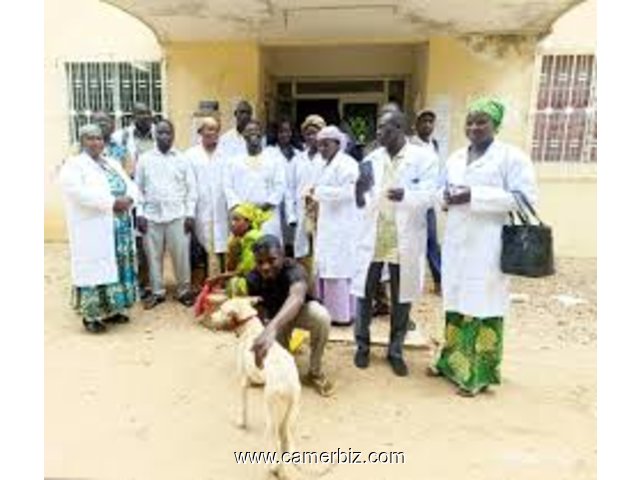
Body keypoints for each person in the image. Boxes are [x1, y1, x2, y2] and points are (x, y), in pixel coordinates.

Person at [431, 98, 538, 397]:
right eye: (470, 121)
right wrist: (445, 197)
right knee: (455, 300)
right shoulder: (454, 158)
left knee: (482, 303)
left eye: (482, 121)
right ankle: (451, 363)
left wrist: (474, 195)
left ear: (496, 125)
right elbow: (439, 191)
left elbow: (525, 199)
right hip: (456, 240)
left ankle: (477, 375)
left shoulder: (511, 158)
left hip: (487, 243)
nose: (474, 127)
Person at [352, 110, 439, 376]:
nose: (378, 134)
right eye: (377, 128)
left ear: (400, 129)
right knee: (365, 293)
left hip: (405, 237)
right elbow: (361, 200)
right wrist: (359, 191)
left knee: (402, 297)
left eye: (384, 129)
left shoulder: (424, 159)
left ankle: (395, 350)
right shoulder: (370, 159)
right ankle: (362, 347)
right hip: (374, 235)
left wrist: (407, 195)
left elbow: (431, 195)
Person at [59, 124, 140, 333]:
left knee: (118, 267)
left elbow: (129, 184)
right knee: (94, 269)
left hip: (119, 226)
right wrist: (111, 203)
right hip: (93, 227)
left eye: (99, 138)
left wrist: (130, 198)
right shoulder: (74, 165)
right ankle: (91, 315)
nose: (96, 142)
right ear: (82, 141)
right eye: (90, 138)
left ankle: (114, 309)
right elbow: (77, 193)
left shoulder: (111, 162)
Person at [248, 235, 335, 397]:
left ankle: (314, 372)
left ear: (282, 256)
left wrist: (271, 329)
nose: (265, 267)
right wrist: (261, 334)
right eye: (260, 262)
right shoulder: (253, 278)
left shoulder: (295, 269)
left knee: (321, 316)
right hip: (276, 321)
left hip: (300, 312)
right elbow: (258, 312)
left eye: (271, 260)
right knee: (281, 366)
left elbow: (297, 297)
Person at [135, 119, 198, 309]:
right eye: (160, 133)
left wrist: (190, 214)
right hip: (151, 216)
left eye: (168, 133)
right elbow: (138, 188)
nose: (164, 136)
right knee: (153, 256)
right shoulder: (145, 159)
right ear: (155, 135)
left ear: (173, 135)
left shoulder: (182, 158)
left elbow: (191, 189)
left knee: (181, 255)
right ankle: (157, 292)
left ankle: (183, 290)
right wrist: (140, 213)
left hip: (177, 215)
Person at [308, 125, 359, 326]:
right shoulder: (323, 165)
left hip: (342, 225)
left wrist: (319, 192)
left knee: (340, 269)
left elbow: (350, 191)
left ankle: (342, 315)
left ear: (338, 144)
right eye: (319, 145)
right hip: (328, 223)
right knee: (328, 267)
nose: (321, 148)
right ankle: (330, 312)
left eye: (326, 144)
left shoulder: (348, 164)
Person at [224, 119, 286, 241]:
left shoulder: (274, 160)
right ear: (243, 135)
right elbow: (228, 187)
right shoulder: (233, 162)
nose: (253, 133)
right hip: (243, 216)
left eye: (257, 130)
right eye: (249, 130)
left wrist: (264, 207)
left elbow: (280, 186)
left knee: (269, 252)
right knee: (245, 252)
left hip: (268, 215)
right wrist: (241, 210)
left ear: (262, 134)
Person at [185, 117, 228, 286]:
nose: (212, 133)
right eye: (208, 129)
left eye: (216, 129)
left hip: (222, 209)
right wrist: (189, 212)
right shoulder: (190, 155)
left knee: (223, 246)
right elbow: (189, 185)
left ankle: (221, 284)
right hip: (200, 209)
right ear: (200, 132)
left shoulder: (226, 154)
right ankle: (205, 286)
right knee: (204, 248)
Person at [290, 115, 326, 286]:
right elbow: (289, 189)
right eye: (308, 133)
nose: (312, 137)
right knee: (302, 251)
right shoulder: (297, 159)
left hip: (322, 212)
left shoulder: (328, 159)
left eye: (316, 133)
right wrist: (291, 215)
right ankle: (305, 289)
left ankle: (320, 290)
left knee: (321, 250)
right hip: (302, 212)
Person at [410, 108, 443, 295]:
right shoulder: (410, 145)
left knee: (432, 241)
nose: (428, 125)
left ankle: (439, 280)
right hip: (412, 202)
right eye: (424, 121)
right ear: (416, 125)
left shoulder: (434, 145)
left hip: (429, 203)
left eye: (431, 121)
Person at [265, 118, 303, 257]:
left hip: (294, 201)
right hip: (275, 203)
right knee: (277, 239)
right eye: (281, 131)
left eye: (287, 131)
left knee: (294, 240)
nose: (284, 135)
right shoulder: (269, 152)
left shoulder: (299, 154)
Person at [112, 102, 156, 171]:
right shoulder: (122, 136)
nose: (146, 116)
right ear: (133, 117)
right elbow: (116, 159)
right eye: (141, 113)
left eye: (148, 113)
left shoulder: (159, 134)